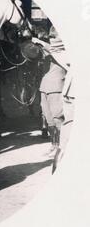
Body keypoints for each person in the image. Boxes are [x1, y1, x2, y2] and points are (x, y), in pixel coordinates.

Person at [32, 26, 69, 158]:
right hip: (45, 88)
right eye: (51, 37)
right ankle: (53, 145)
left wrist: (41, 43)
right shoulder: (48, 49)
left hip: (56, 88)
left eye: (54, 37)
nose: (52, 39)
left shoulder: (63, 49)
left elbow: (54, 50)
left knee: (57, 118)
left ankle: (61, 148)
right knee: (49, 120)